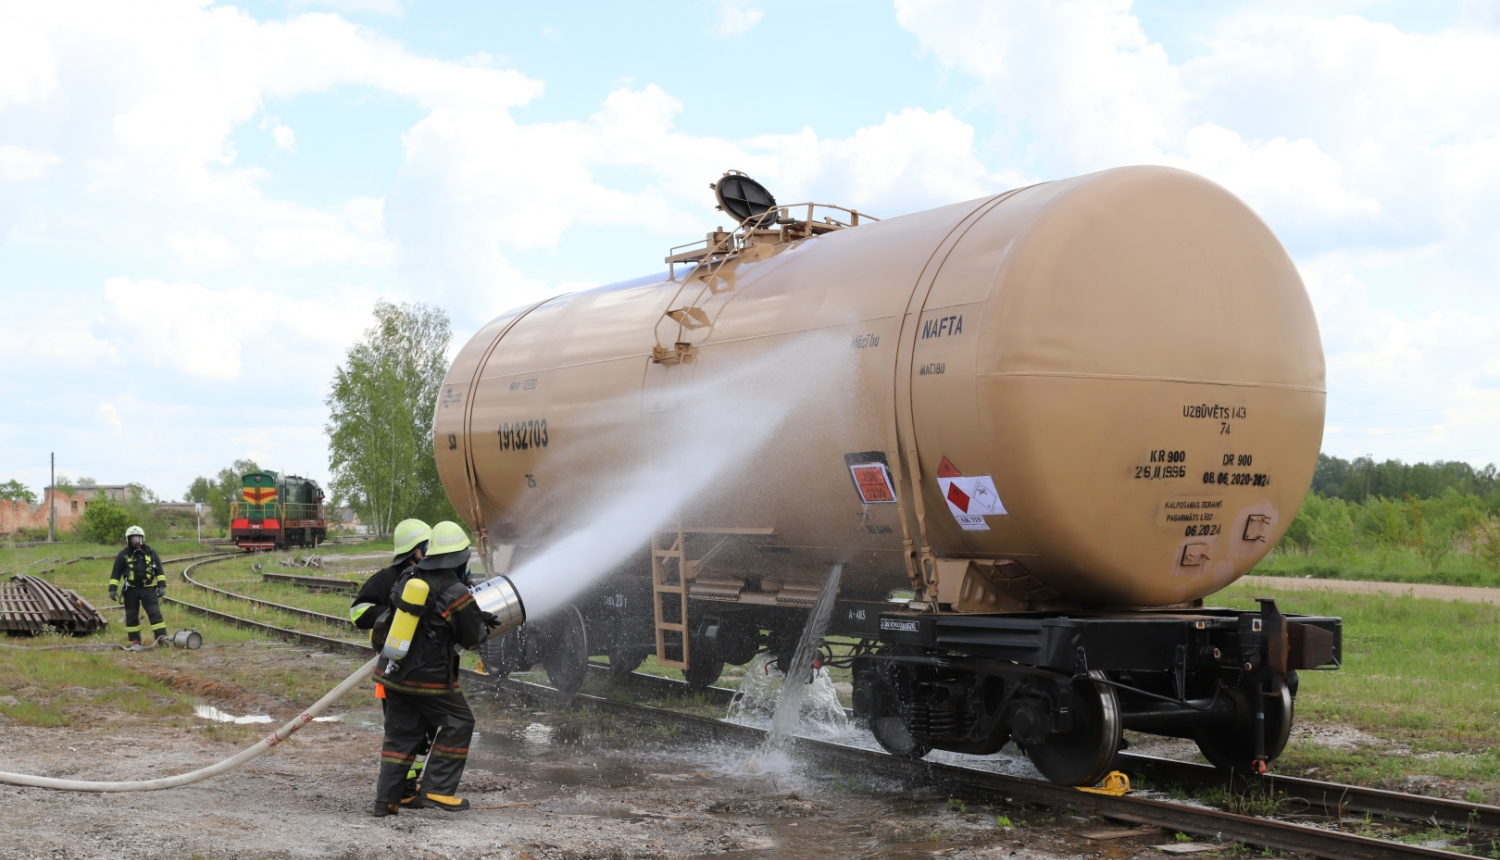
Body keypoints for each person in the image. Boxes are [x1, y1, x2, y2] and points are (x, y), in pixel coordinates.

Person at [370, 520, 490, 817]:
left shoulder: (409, 575)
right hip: (429, 680)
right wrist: (482, 621)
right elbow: (472, 637)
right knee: (458, 722)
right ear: (460, 557)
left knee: (401, 736)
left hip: (392, 672)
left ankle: (386, 801)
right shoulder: (454, 589)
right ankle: (438, 789)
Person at [351, 518, 435, 809]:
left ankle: (407, 785)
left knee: (426, 731)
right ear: (415, 550)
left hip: (425, 671)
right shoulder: (386, 579)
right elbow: (357, 613)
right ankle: (397, 790)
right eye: (427, 546)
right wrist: (397, 612)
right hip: (394, 672)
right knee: (402, 732)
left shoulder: (431, 576)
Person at [109, 525, 167, 649]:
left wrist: (162, 586)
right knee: (131, 616)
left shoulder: (151, 553)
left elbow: (159, 571)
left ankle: (161, 638)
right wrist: (112, 589)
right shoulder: (123, 555)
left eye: (138, 539)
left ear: (142, 538)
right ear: (128, 540)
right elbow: (116, 573)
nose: (136, 541)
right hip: (130, 590)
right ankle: (135, 640)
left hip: (148, 589)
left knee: (155, 613)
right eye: (133, 539)